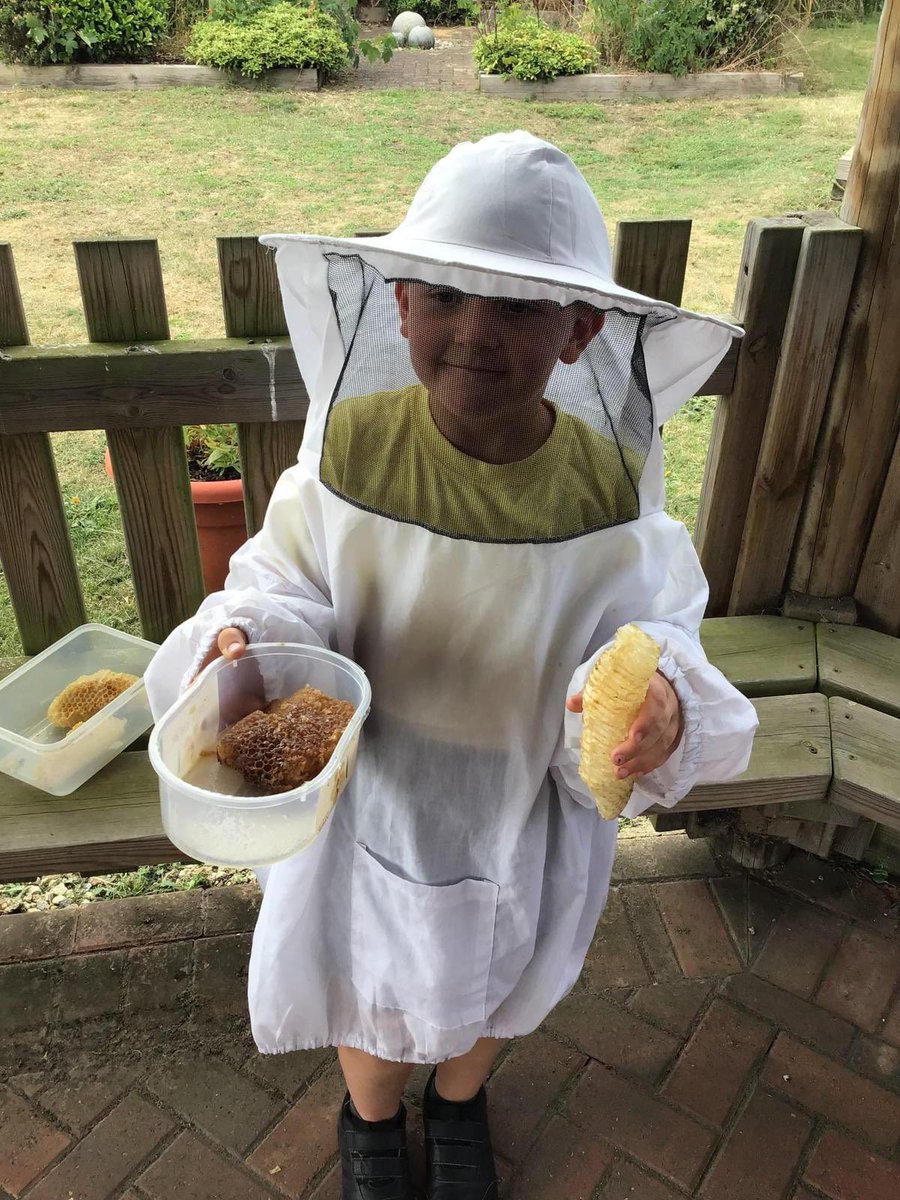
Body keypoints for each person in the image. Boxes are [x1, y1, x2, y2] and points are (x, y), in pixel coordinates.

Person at [145, 132, 758, 1200]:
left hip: (523, 796)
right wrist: (246, 638)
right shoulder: (353, 448)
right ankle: (372, 1115)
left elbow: (655, 629)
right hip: (370, 794)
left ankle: (462, 1098)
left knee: (500, 978)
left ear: (581, 332)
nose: (475, 333)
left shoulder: (608, 495)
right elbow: (286, 580)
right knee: (370, 979)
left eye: (517, 307)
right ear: (398, 308)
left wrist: (662, 704)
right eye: (446, 296)